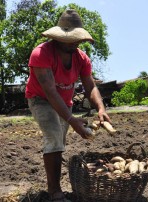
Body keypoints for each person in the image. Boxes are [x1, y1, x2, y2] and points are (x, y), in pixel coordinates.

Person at [25, 9, 111, 202]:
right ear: (58, 37)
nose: (75, 42)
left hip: (64, 102)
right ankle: (54, 192)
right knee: (54, 136)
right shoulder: (41, 54)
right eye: (70, 38)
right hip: (41, 99)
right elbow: (50, 91)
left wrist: (101, 108)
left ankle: (56, 184)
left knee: (59, 143)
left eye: (77, 38)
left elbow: (90, 86)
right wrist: (72, 119)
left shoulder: (81, 58)